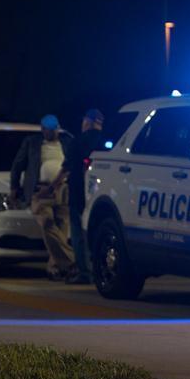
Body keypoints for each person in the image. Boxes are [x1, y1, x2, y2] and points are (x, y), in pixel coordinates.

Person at [10, 114, 75, 280]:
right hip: (40, 190)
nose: (53, 133)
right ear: (43, 129)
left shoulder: (67, 141)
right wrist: (14, 188)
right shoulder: (32, 143)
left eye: (55, 130)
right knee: (47, 223)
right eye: (50, 130)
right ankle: (73, 260)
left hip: (63, 189)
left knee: (62, 228)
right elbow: (17, 165)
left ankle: (55, 268)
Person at [53, 109, 105, 284]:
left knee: (77, 232)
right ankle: (100, 270)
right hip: (101, 193)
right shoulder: (108, 142)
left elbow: (66, 167)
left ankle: (84, 272)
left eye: (84, 121)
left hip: (78, 191)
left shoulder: (77, 142)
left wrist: (52, 186)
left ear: (89, 122)